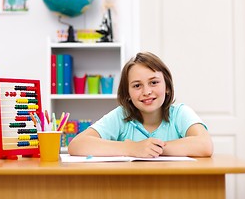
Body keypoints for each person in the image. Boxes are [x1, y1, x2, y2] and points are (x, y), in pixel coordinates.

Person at [68, 52, 213, 158]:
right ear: (128, 94)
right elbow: (77, 145)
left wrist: (152, 148)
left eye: (154, 82)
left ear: (167, 87)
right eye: (137, 85)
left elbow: (205, 145)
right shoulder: (121, 116)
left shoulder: (180, 113)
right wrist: (131, 148)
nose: (147, 91)